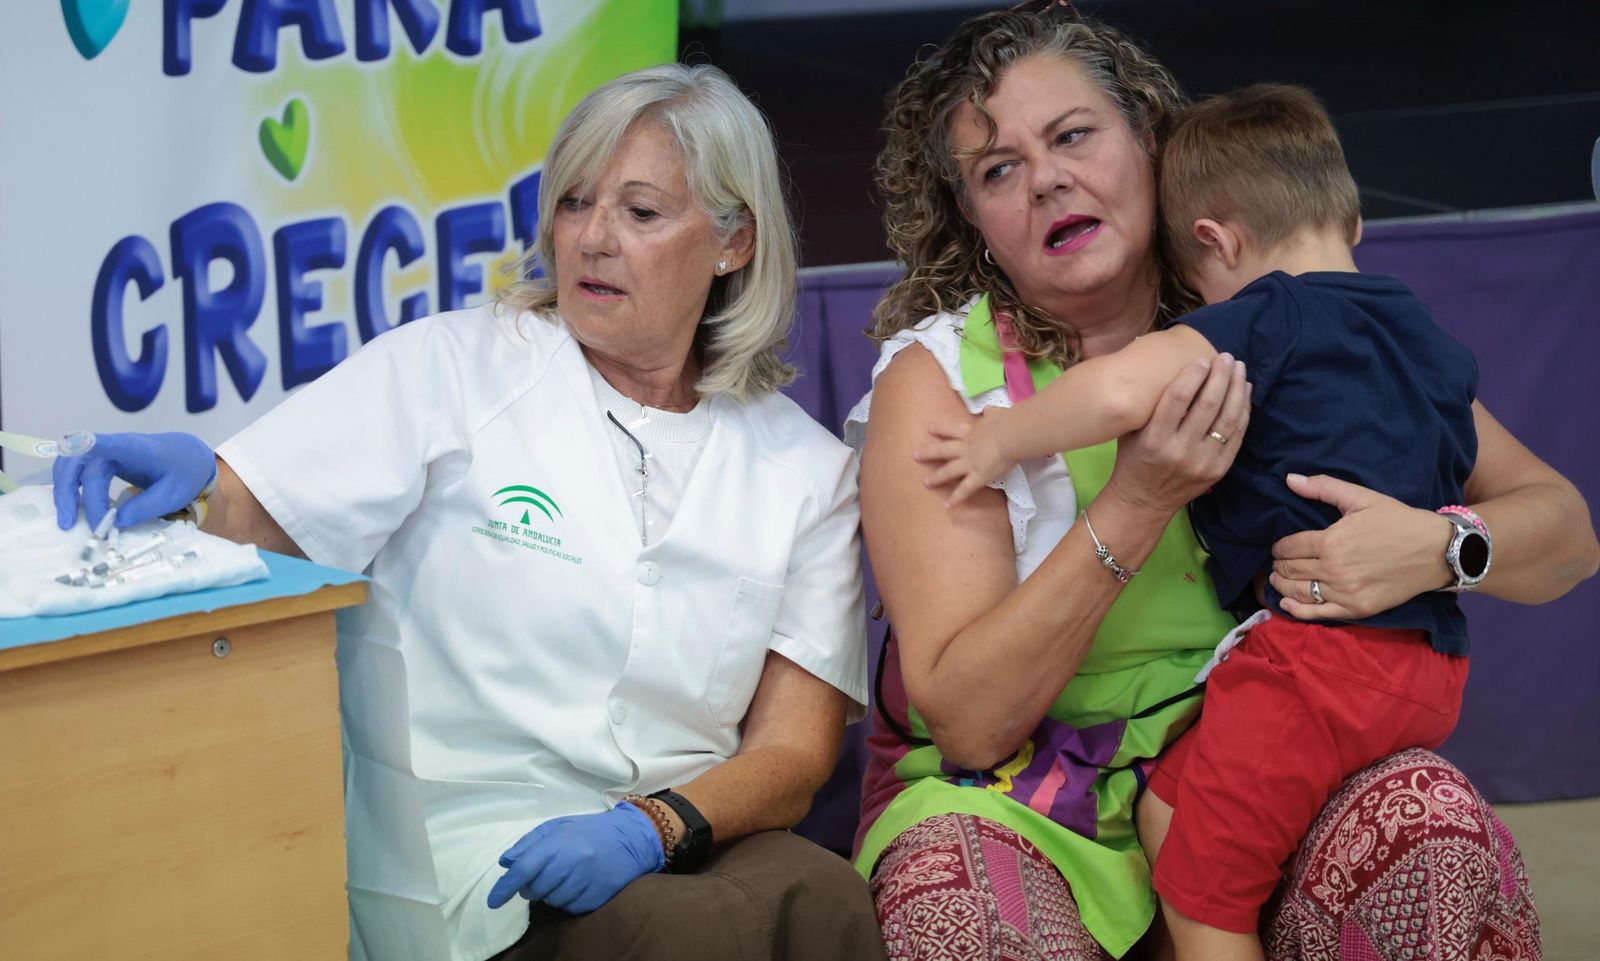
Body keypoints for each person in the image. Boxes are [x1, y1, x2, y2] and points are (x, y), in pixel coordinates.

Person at [52, 64, 887, 961]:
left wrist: (654, 826)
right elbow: (253, 507)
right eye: (572, 203)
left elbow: (794, 754)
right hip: (467, 847)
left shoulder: (806, 470)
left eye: (641, 213)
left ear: (733, 242)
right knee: (669, 935)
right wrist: (194, 485)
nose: (594, 239)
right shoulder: (451, 368)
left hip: (686, 834)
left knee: (828, 897)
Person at [848, 6, 1598, 960]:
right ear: (973, 219)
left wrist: (1439, 544)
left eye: (1074, 135)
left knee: (1433, 823)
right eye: (1000, 170)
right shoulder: (943, 382)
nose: (1046, 180)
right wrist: (1140, 498)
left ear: (1149, 141)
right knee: (960, 912)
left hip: (1245, 760)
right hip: (1020, 799)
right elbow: (968, 720)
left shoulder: (1281, 324)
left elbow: (1567, 531)